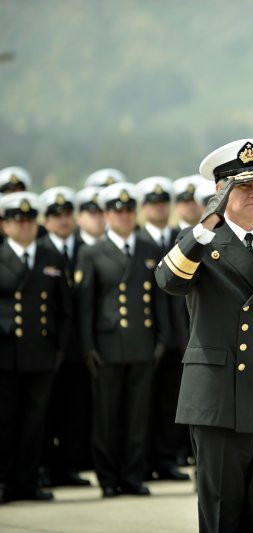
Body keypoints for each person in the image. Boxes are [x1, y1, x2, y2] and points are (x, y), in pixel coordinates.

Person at [155, 138, 253, 532]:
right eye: (243, 185)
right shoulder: (199, 243)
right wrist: (205, 225)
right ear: (220, 190)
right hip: (219, 398)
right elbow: (168, 280)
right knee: (222, 513)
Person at [74, 182, 169, 498]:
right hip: (108, 346)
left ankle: (132, 474)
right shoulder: (92, 253)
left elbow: (159, 301)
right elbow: (85, 306)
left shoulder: (148, 250)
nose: (125, 215)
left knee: (136, 418)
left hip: (141, 344)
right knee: (107, 417)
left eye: (129, 210)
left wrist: (161, 338)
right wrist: (87, 346)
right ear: (107, 214)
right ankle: (108, 478)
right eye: (118, 210)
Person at [0, 192, 71, 503]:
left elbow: (64, 309)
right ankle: (3, 481)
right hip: (5, 353)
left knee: (34, 423)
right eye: (19, 220)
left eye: (30, 220)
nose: (25, 226)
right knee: (4, 421)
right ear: (5, 225)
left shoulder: (50, 257)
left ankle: (27, 481)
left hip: (41, 352)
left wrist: (58, 348)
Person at [134, 176, 192, 482]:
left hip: (178, 333)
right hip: (145, 336)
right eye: (152, 204)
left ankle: (167, 458)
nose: (158, 209)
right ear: (143, 208)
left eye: (162, 204)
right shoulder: (138, 241)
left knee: (171, 400)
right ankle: (143, 460)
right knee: (144, 403)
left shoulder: (180, 238)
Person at [37, 187, 93, 488]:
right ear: (46, 220)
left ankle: (68, 467)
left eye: (67, 214)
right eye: (56, 215)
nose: (63, 220)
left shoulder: (85, 248)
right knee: (46, 410)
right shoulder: (41, 248)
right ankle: (43, 466)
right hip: (47, 343)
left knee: (74, 410)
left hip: (78, 345)